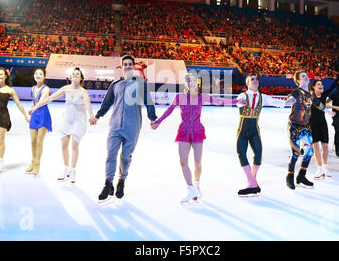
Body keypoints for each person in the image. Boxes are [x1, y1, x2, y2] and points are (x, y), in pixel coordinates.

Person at [151, 73, 242, 203]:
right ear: (186, 84)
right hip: (183, 130)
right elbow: (169, 110)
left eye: (193, 81)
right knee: (183, 161)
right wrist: (158, 121)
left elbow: (220, 101)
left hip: (197, 130)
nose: (191, 83)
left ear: (197, 83)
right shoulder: (180, 97)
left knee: (197, 162)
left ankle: (197, 184)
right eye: (188, 81)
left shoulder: (202, 97)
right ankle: (190, 188)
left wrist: (237, 101)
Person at [91, 55, 157, 201]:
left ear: (133, 67)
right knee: (111, 154)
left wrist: (153, 118)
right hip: (115, 125)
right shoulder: (115, 84)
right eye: (125, 64)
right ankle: (108, 184)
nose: (127, 66)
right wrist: (98, 115)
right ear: (121, 67)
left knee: (126, 156)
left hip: (132, 126)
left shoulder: (140, 83)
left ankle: (121, 181)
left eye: (129, 64)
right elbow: (107, 103)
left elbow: (149, 102)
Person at [30, 67, 96, 183]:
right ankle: (65, 169)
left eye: (77, 74)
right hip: (67, 120)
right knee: (64, 145)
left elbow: (88, 105)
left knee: (74, 146)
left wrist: (91, 117)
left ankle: (73, 171)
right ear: (70, 77)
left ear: (81, 78)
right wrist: (35, 107)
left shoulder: (83, 91)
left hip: (78, 121)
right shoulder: (65, 88)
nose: (75, 75)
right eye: (73, 74)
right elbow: (50, 98)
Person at [235, 74, 284, 197]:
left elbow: (276, 102)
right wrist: (240, 102)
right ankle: (252, 182)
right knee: (241, 153)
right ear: (247, 83)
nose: (255, 81)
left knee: (258, 153)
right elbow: (238, 102)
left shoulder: (263, 97)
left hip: (254, 130)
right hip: (242, 130)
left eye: (256, 79)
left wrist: (289, 101)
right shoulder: (243, 95)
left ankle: (252, 182)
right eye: (252, 79)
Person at [285, 70, 325, 190]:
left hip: (306, 127)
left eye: (307, 76)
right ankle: (290, 177)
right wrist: (290, 100)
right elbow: (291, 97)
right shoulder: (296, 92)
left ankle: (301, 176)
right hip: (294, 126)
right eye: (303, 77)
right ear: (298, 80)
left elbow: (319, 105)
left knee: (309, 152)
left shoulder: (311, 94)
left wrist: (328, 110)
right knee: (295, 153)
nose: (306, 78)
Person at [308, 74, 339, 179]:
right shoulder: (310, 96)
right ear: (313, 87)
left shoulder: (324, 95)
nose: (321, 85)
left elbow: (333, 85)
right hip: (312, 124)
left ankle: (325, 168)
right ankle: (319, 168)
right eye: (318, 84)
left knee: (325, 146)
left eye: (321, 84)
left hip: (322, 124)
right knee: (316, 147)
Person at [26, 68, 52, 176]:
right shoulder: (33, 88)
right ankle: (32, 161)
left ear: (44, 76)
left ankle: (37, 164)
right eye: (36, 73)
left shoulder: (46, 88)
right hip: (35, 115)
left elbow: (41, 102)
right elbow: (33, 101)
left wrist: (33, 109)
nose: (38, 75)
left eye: (40, 74)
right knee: (32, 141)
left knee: (39, 141)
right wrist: (30, 111)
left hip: (43, 115)